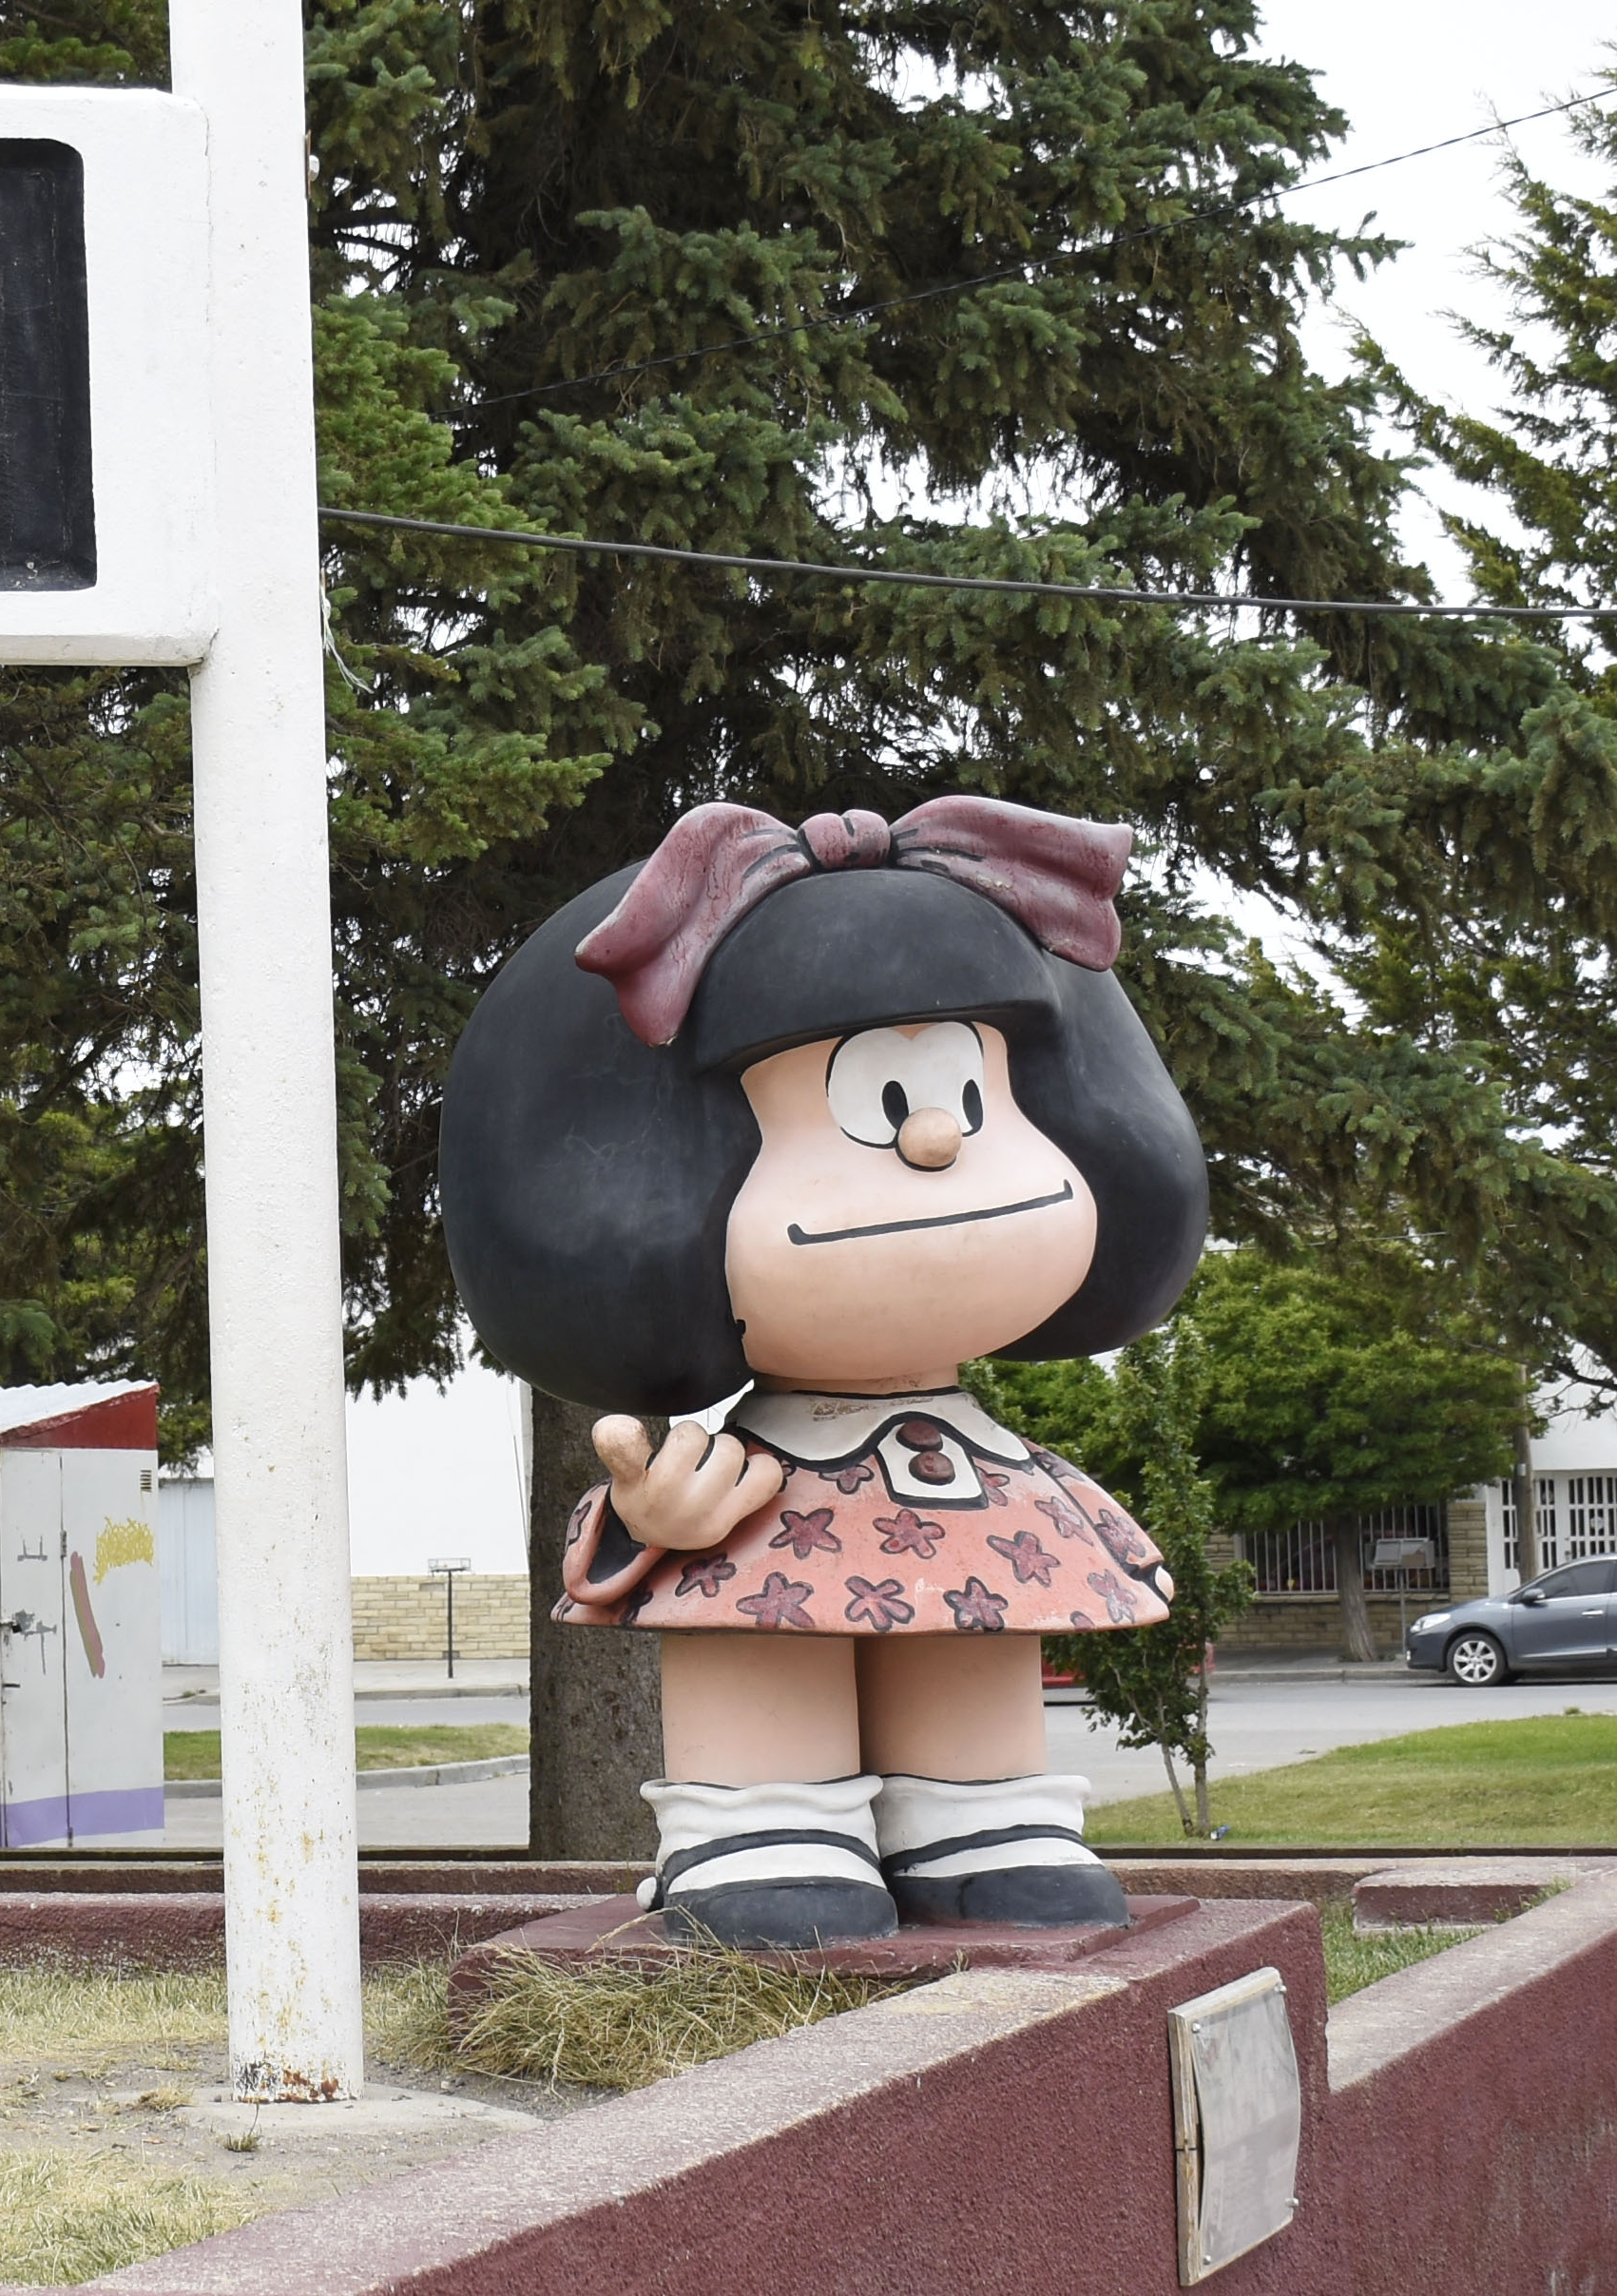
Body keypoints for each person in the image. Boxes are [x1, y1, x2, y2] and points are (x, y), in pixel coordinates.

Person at [442, 797, 1205, 1948]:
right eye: (884, 1107)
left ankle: (982, 1817)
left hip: (966, 1490)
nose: (938, 1142)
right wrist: (654, 1509)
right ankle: (760, 1820)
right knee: (760, 1616)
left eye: (967, 1096)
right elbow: (640, 1533)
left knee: (977, 1631)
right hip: (779, 1504)